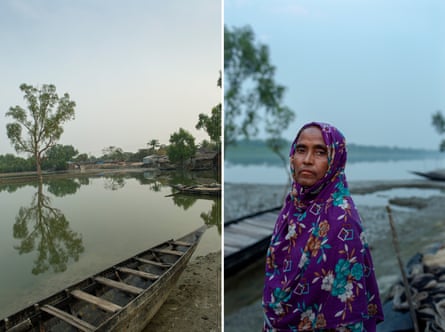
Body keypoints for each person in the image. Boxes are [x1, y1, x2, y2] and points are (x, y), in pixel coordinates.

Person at [262, 122, 384, 331]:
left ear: (335, 160)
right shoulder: (294, 205)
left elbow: (345, 312)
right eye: (301, 150)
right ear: (292, 156)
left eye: (320, 152)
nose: (307, 160)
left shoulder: (342, 221)